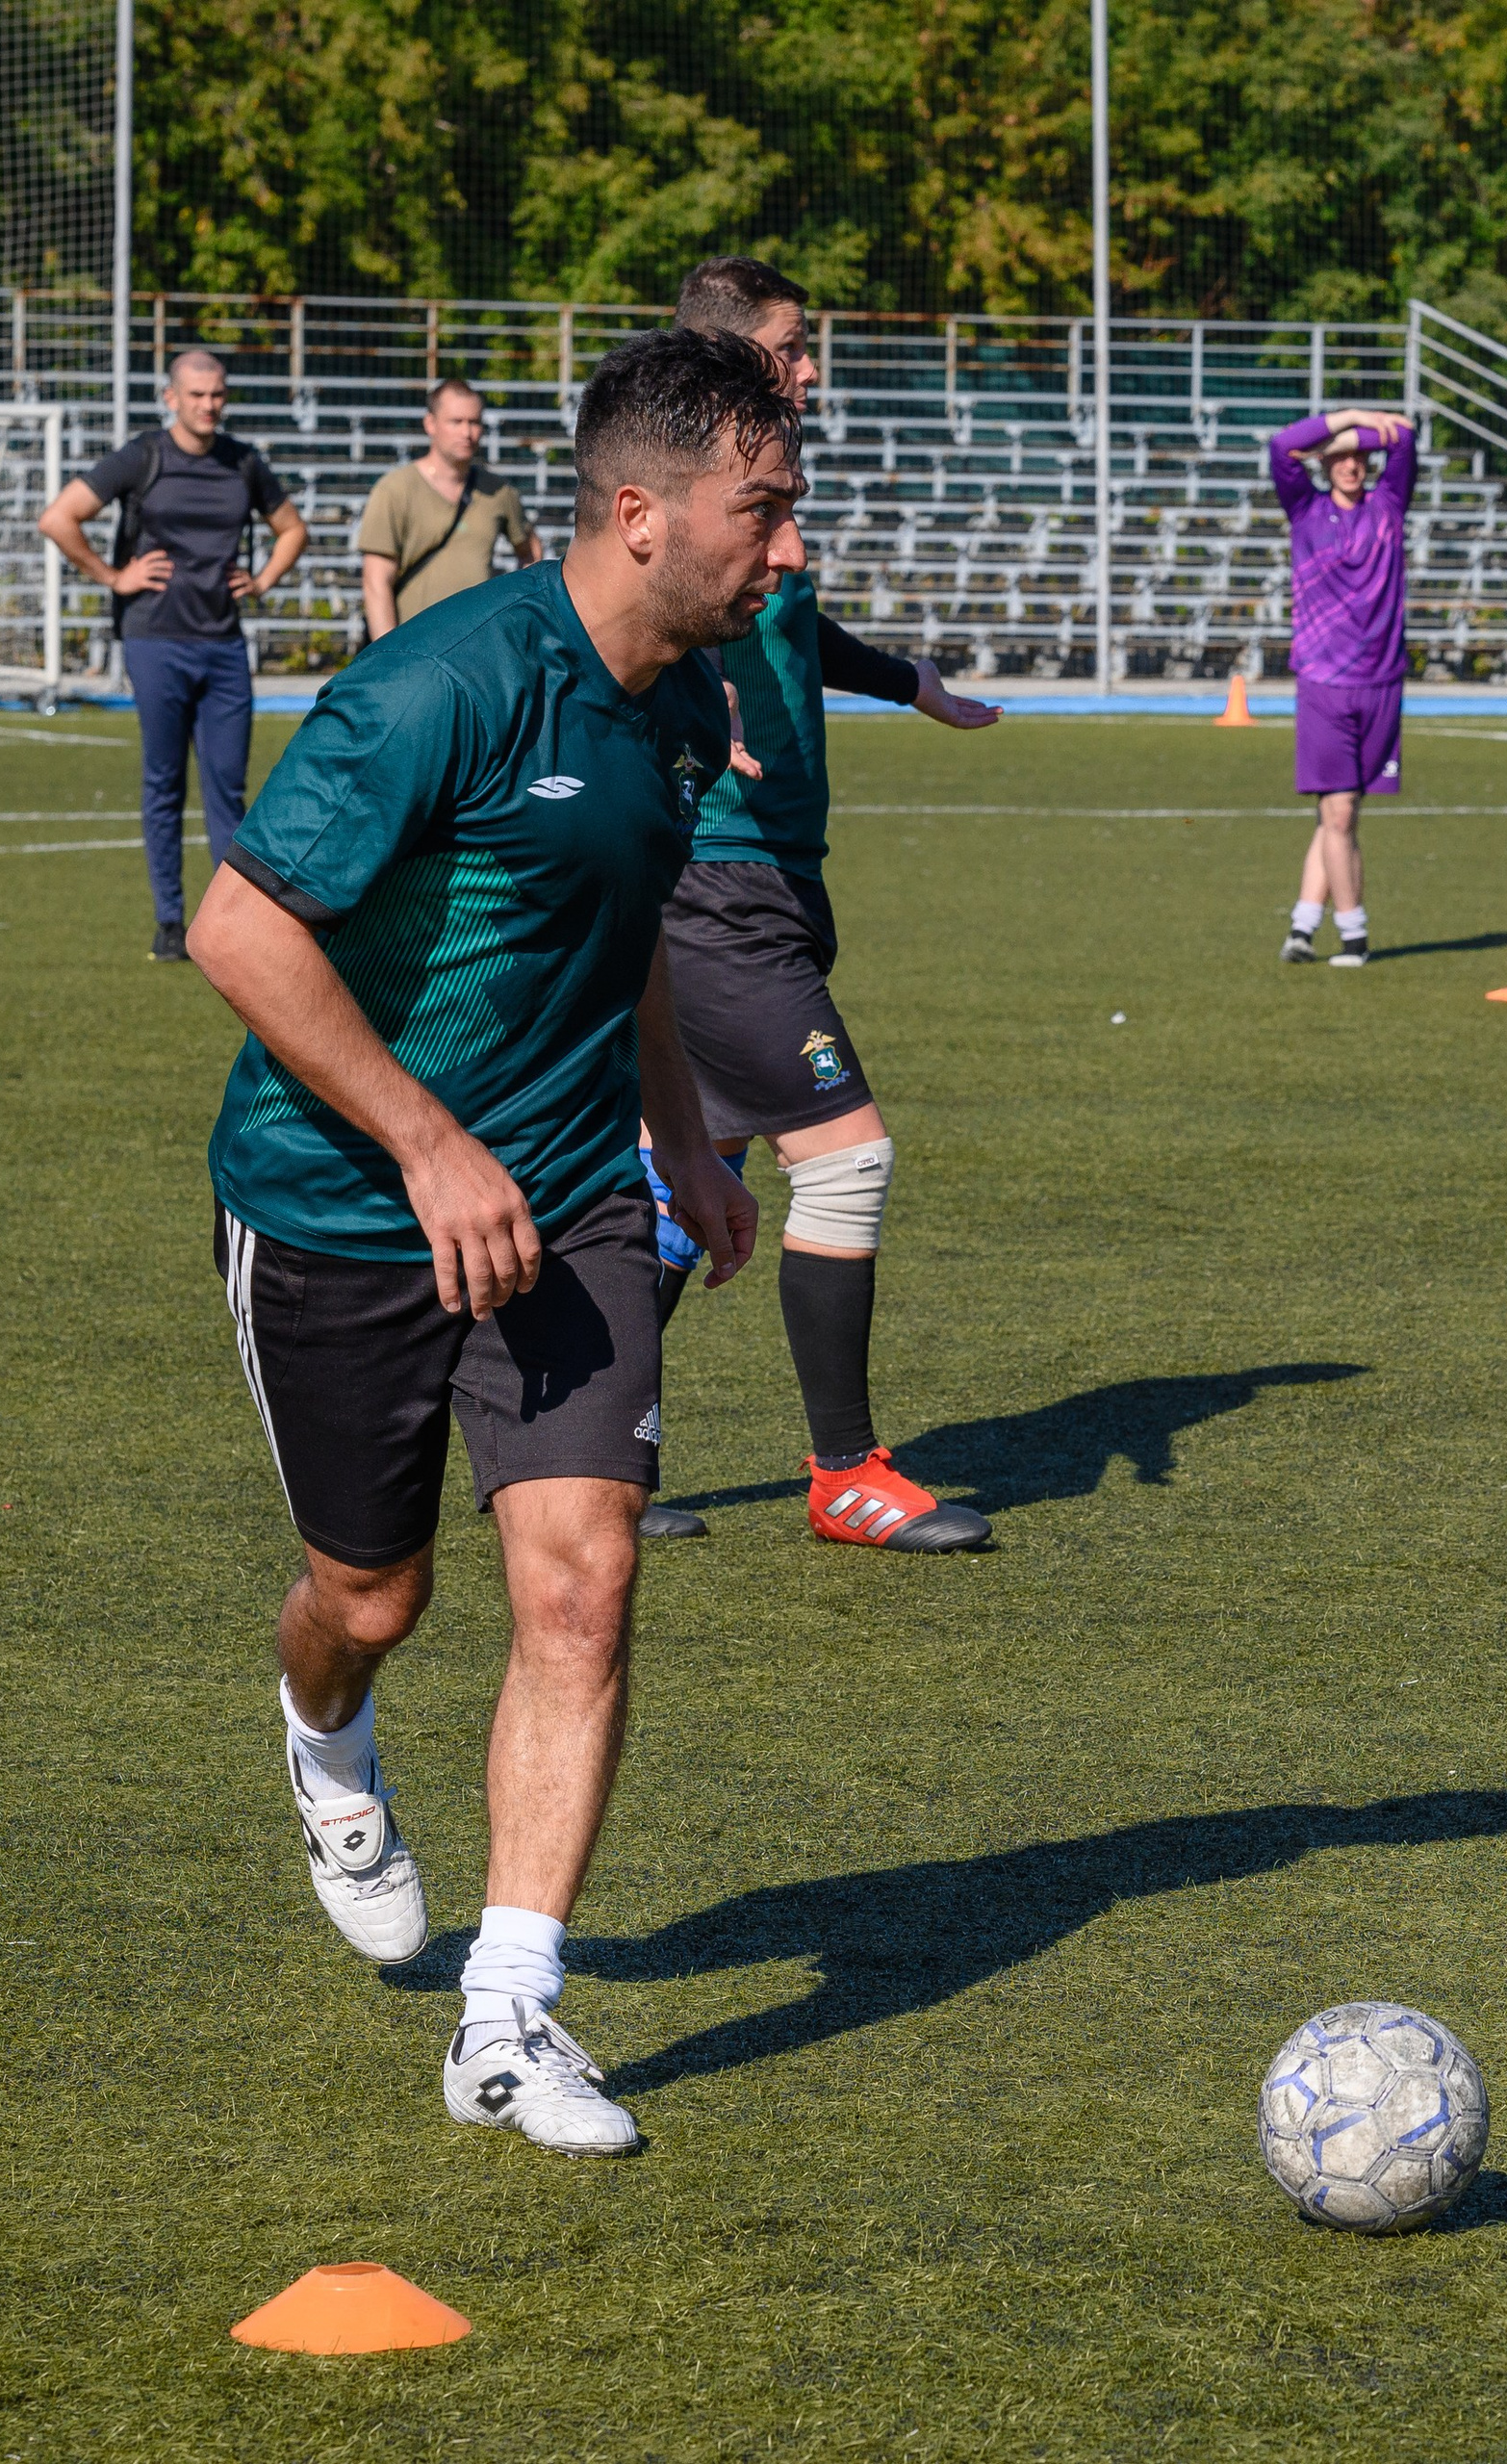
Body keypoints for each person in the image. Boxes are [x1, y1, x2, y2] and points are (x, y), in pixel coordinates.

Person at [186, 327, 795, 2156]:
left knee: (584, 1574)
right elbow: (238, 933)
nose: (785, 552)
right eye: (758, 515)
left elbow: (625, 946)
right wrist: (432, 1145)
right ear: (638, 514)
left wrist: (683, 1148)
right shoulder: (436, 687)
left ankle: (510, 2016)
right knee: (373, 1600)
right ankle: (328, 1744)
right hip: (341, 1205)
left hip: (574, 1196)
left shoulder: (691, 700)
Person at [639, 254, 1003, 1553]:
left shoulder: (760, 479)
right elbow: (621, 604)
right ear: (732, 352)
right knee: (847, 1154)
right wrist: (689, 687)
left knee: (689, 1180)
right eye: (796, 344)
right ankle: (845, 1471)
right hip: (717, 876)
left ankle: (567, 1451)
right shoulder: (688, 482)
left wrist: (911, 681)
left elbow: (795, 629)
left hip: (771, 873)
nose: (814, 366)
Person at [37, 348, 307, 962]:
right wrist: (113, 576)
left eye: (218, 394)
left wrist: (261, 581)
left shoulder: (242, 461)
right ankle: (168, 921)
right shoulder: (143, 456)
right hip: (155, 641)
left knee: (227, 786)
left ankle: (230, 924)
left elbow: (292, 528)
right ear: (171, 398)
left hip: (223, 645)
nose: (209, 405)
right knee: (164, 781)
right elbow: (58, 519)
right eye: (197, 394)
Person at [1267, 404, 1418, 966]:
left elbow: (1404, 436)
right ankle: (1354, 935)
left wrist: (1352, 431)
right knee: (1339, 814)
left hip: (1382, 682)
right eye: (1339, 458)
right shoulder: (1304, 509)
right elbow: (1282, 444)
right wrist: (1349, 418)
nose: (1351, 465)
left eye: (1360, 455)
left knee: (1341, 813)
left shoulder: (1389, 505)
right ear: (1324, 466)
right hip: (1324, 682)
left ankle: (1301, 930)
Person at [358, 376, 543, 639]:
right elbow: (376, 582)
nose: (467, 433)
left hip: (480, 646)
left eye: (475, 422)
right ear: (430, 424)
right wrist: (388, 655)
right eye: (456, 422)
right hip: (416, 646)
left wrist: (520, 615)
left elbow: (531, 552)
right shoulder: (394, 490)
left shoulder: (499, 492)